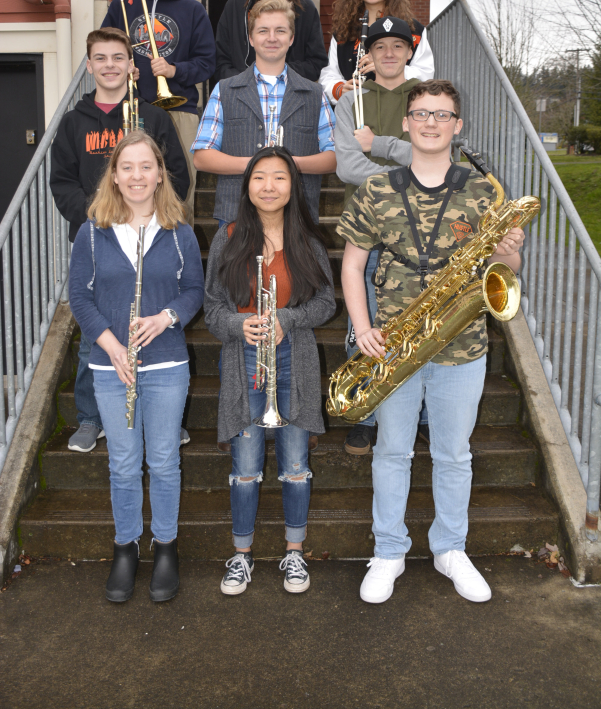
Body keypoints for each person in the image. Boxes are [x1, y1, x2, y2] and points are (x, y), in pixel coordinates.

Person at [336, 80, 525, 605]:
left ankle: (450, 549)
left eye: (442, 114)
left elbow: (506, 268)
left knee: (454, 455)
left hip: (463, 343)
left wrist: (510, 251)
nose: (430, 122)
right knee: (392, 453)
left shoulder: (484, 191)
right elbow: (352, 265)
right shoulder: (376, 189)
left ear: (457, 125)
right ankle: (390, 551)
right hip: (394, 343)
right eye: (421, 113)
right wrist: (364, 327)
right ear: (406, 123)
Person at [69, 130, 204, 603]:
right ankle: (125, 547)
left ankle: (165, 547)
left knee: (164, 461)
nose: (137, 176)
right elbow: (80, 298)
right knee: (124, 464)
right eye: (127, 167)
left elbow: (193, 293)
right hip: (112, 367)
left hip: (166, 363)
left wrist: (166, 317)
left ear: (159, 173)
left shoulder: (179, 230)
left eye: (146, 166)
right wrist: (110, 345)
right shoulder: (92, 231)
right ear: (115, 175)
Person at [50, 27, 190, 454]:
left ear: (132, 66)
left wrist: (152, 212)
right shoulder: (74, 122)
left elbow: (177, 176)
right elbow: (61, 183)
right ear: (89, 65)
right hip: (99, 239)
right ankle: (92, 417)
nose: (110, 66)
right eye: (100, 58)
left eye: (118, 58)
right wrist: (100, 217)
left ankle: (164, 416)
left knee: (154, 322)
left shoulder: (155, 117)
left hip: (151, 236)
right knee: (97, 330)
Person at [203, 146, 336, 595]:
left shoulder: (309, 241)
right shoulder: (229, 237)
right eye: (260, 177)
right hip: (244, 363)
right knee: (244, 468)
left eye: (279, 177)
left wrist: (287, 319)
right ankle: (241, 557)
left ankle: (294, 553)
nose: (269, 186)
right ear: (247, 186)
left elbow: (325, 304)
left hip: (293, 359)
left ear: (292, 186)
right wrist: (243, 324)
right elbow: (212, 309)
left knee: (296, 466)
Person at [334, 16, 420, 455]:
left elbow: (439, 152)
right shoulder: (353, 100)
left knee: (421, 318)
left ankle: (417, 410)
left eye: (397, 45)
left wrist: (381, 146)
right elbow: (347, 167)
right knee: (363, 322)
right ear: (367, 54)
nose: (388, 53)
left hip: (423, 230)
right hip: (366, 229)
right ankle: (365, 411)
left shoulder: (423, 96)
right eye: (380, 45)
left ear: (409, 51)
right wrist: (408, 173)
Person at [102, 0, 216, 226]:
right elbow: (105, 48)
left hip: (180, 111)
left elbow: (207, 64)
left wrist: (174, 70)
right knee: (130, 186)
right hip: (134, 110)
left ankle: (179, 261)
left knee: (181, 187)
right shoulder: (122, 5)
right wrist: (122, 66)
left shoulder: (193, 10)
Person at [192, 0, 336, 227]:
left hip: (297, 218)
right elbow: (202, 156)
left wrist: (287, 165)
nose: (271, 38)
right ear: (250, 38)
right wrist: (257, 165)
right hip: (236, 215)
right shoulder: (225, 90)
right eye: (263, 31)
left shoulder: (314, 93)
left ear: (291, 38)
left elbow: (335, 157)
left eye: (280, 30)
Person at [319, 0, 434, 105]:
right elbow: (329, 73)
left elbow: (425, 74)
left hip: (398, 109)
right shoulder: (343, 32)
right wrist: (339, 89)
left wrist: (389, 68)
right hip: (355, 110)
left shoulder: (414, 30)